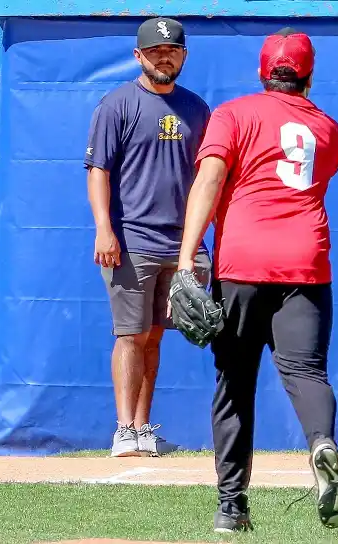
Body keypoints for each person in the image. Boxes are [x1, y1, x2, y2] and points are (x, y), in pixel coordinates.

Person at [174, 28, 338, 532]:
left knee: (234, 385)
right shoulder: (330, 130)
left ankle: (232, 506)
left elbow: (209, 180)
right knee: (307, 374)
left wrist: (187, 257)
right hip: (306, 261)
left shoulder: (232, 114)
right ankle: (321, 442)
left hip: (242, 262)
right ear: (309, 75)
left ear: (262, 71)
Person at [84, 17, 212, 458]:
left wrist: (197, 245)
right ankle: (123, 429)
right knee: (130, 336)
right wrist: (104, 228)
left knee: (155, 336)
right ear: (139, 56)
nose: (164, 57)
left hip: (179, 247)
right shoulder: (117, 104)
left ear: (183, 56)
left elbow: (206, 179)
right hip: (131, 241)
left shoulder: (197, 109)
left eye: (172, 51)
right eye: (155, 51)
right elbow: (98, 170)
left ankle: (141, 428)